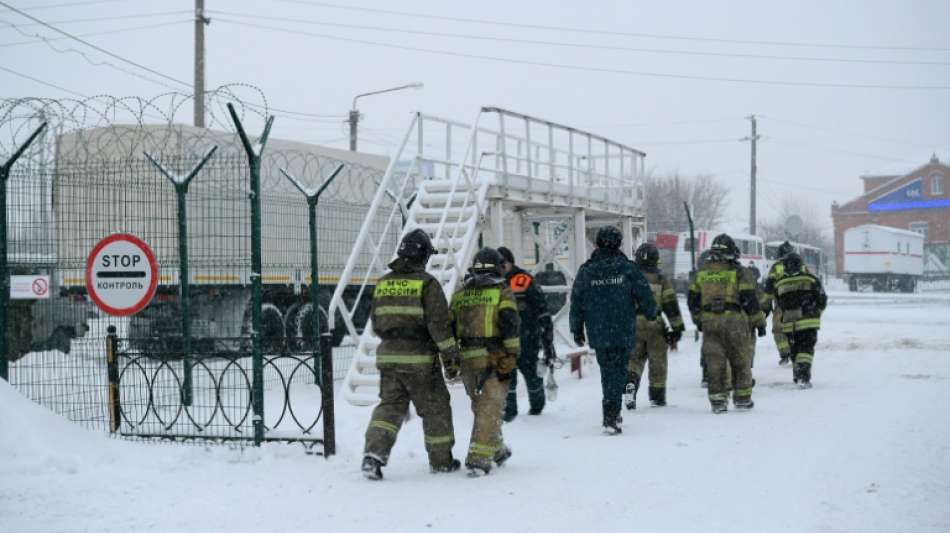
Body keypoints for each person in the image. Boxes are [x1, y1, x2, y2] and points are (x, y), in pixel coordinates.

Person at [362, 229, 462, 480]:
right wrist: (450, 357)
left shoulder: (383, 283)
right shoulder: (427, 284)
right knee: (436, 408)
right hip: (420, 361)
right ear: (423, 256)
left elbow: (376, 321)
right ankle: (441, 461)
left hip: (388, 358)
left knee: (390, 408)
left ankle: (373, 456)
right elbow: (439, 326)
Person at [569, 226, 657, 434]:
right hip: (623, 329)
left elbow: (577, 301)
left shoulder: (587, 270)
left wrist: (576, 329)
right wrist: (651, 312)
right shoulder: (627, 268)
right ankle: (611, 414)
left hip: (598, 331)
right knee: (618, 370)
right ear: (618, 243)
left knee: (607, 371)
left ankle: (611, 411)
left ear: (598, 243)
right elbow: (643, 293)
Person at [449, 248, 521, 476]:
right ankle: (478, 459)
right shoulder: (502, 291)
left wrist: (450, 361)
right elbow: (510, 323)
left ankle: (497, 449)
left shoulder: (460, 293)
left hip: (467, 359)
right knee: (490, 408)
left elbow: (449, 327)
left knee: (482, 407)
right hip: (494, 356)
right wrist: (511, 355)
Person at [688, 234, 766, 413]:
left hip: (710, 323)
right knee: (740, 360)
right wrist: (758, 322)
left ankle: (718, 401)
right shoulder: (739, 272)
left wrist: (699, 320)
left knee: (714, 362)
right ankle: (743, 398)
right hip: (734, 322)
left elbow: (692, 301)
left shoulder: (702, 273)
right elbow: (749, 299)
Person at [496, 246, 556, 421]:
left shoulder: (523, 280)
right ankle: (509, 411)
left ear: (510, 262)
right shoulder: (495, 282)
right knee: (508, 376)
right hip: (505, 339)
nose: (500, 267)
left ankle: (537, 406)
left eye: (502, 263)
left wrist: (546, 333)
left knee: (531, 373)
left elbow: (541, 307)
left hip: (527, 337)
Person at [625, 243, 685, 409]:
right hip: (655, 325)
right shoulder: (660, 279)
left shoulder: (628, 278)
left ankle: (630, 383)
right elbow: (670, 305)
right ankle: (657, 396)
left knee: (634, 359)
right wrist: (677, 328)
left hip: (632, 324)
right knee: (657, 361)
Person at [763, 252, 827, 388]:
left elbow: (778, 302)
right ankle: (803, 377)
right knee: (806, 349)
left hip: (788, 323)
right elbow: (822, 298)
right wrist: (816, 312)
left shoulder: (780, 283)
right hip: (808, 322)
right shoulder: (811, 279)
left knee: (795, 349)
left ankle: (797, 375)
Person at [762, 241, 795, 364]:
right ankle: (796, 352)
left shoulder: (776, 267)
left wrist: (765, 305)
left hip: (781, 305)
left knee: (778, 330)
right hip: (801, 304)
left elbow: (769, 287)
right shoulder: (802, 266)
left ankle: (785, 354)